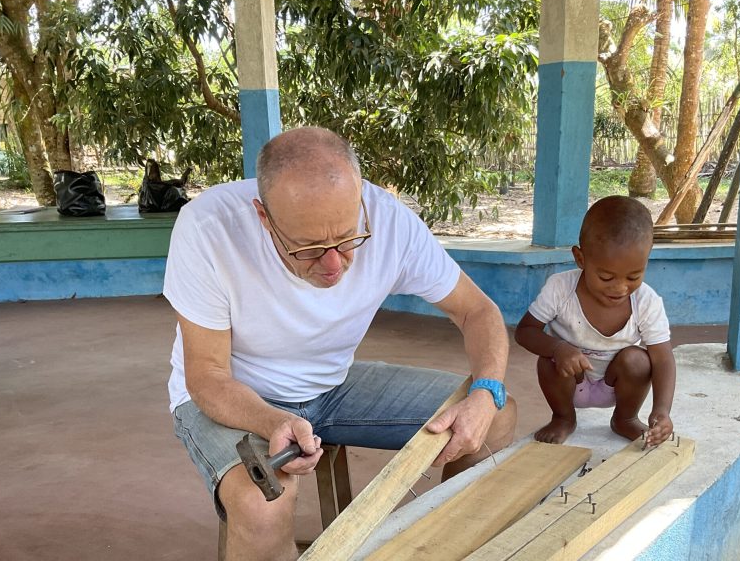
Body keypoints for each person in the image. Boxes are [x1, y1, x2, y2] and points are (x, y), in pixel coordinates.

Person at [163, 126, 517, 560]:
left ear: (360, 200)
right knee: (262, 505)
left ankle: (447, 550)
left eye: (348, 238)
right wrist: (273, 422)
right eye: (308, 247)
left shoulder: (390, 222)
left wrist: (486, 392)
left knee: (494, 416)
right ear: (263, 216)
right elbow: (208, 375)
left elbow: (477, 311)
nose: (333, 263)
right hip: (236, 395)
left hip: (332, 387)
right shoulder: (208, 228)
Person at [514, 196, 676, 446]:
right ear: (581, 259)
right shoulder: (560, 288)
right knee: (548, 360)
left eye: (633, 277)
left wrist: (662, 410)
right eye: (606, 277)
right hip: (569, 381)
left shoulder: (646, 301)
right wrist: (558, 348)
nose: (620, 288)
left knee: (638, 360)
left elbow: (663, 358)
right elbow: (525, 331)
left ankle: (624, 419)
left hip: (617, 386)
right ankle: (563, 418)